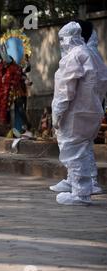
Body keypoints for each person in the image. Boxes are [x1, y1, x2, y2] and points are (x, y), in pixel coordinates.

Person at [50, 21, 107, 197]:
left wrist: (57, 113)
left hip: (74, 111)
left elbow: (65, 89)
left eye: (62, 38)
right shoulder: (92, 55)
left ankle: (80, 193)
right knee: (83, 148)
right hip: (92, 110)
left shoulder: (74, 56)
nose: (61, 43)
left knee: (72, 150)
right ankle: (86, 184)